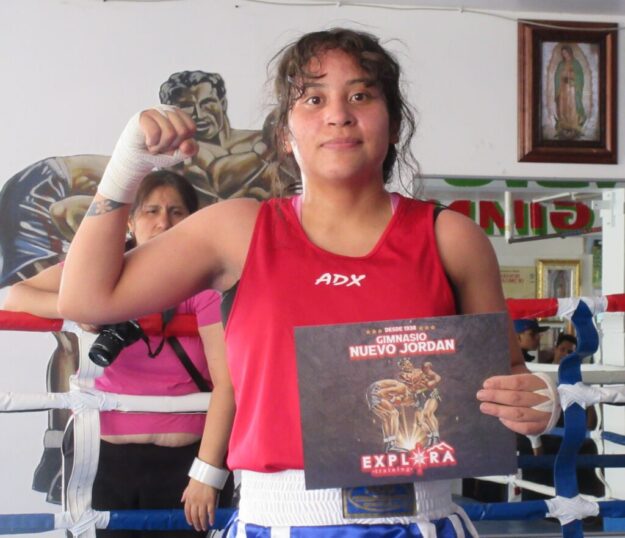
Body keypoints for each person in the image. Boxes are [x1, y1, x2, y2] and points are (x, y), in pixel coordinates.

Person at [59, 28, 558, 537]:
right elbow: (85, 299)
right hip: (278, 521)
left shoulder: (451, 238)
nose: (338, 114)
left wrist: (540, 398)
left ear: (393, 122)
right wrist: (126, 167)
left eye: (360, 96)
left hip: (419, 519)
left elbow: (509, 376)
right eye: (314, 99)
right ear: (285, 131)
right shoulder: (237, 230)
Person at [4, 170, 234, 537]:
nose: (163, 222)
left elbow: (228, 384)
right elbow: (17, 295)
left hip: (185, 464)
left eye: (176, 212)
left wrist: (207, 473)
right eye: (151, 211)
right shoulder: (101, 273)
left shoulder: (204, 282)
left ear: (193, 220)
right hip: (103, 459)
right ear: (130, 221)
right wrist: (83, 309)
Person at [159, 71, 281, 204]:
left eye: (207, 103)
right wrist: (264, 150)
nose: (199, 114)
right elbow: (219, 178)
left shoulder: (259, 138)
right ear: (173, 114)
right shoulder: (181, 157)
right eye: (187, 106)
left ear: (222, 104)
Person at [554, 45, 586, 140]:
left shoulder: (576, 64)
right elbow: (557, 76)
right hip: (563, 89)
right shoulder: (561, 64)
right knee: (563, 106)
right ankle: (564, 124)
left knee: (572, 105)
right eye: (563, 53)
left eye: (566, 52)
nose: (565, 55)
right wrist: (561, 75)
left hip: (572, 89)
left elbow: (580, 76)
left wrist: (572, 76)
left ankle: (573, 124)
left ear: (570, 52)